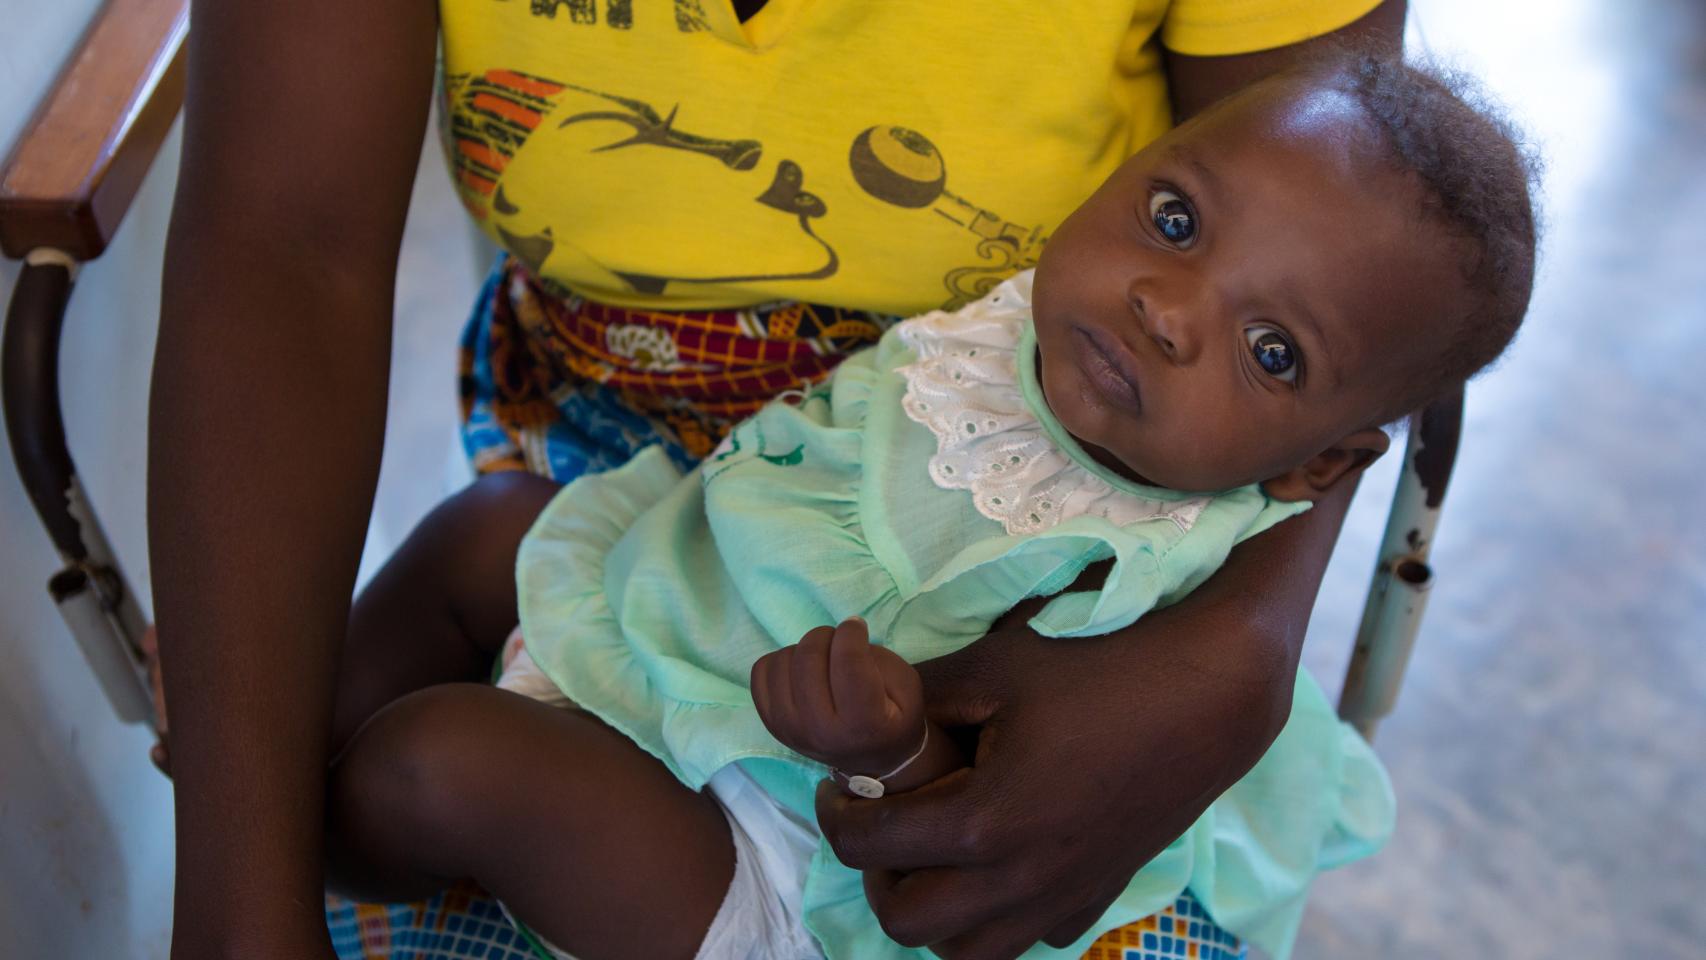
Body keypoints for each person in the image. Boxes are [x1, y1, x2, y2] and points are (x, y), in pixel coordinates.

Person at [149, 2, 1413, 959]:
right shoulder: (1013, 353)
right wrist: (239, 882)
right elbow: (284, 249)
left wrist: (1234, 654)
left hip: (878, 753)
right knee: (454, 593)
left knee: (439, 770)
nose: (1171, 307)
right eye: (1171, 223)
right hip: (654, 491)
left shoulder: (1090, 513)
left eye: (1263, 346)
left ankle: (354, 809)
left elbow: (1369, 236)